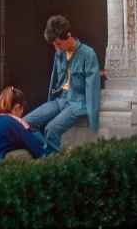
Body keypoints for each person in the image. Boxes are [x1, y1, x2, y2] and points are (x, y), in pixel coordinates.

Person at [24, 15, 101, 153]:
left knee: (51, 129)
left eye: (58, 43)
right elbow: (54, 81)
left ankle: (52, 162)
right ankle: (45, 153)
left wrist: (93, 120)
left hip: (78, 103)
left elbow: (92, 88)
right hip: (61, 100)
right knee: (25, 123)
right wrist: (49, 104)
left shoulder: (88, 54)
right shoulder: (59, 53)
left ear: (69, 36)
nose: (56, 47)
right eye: (54, 44)